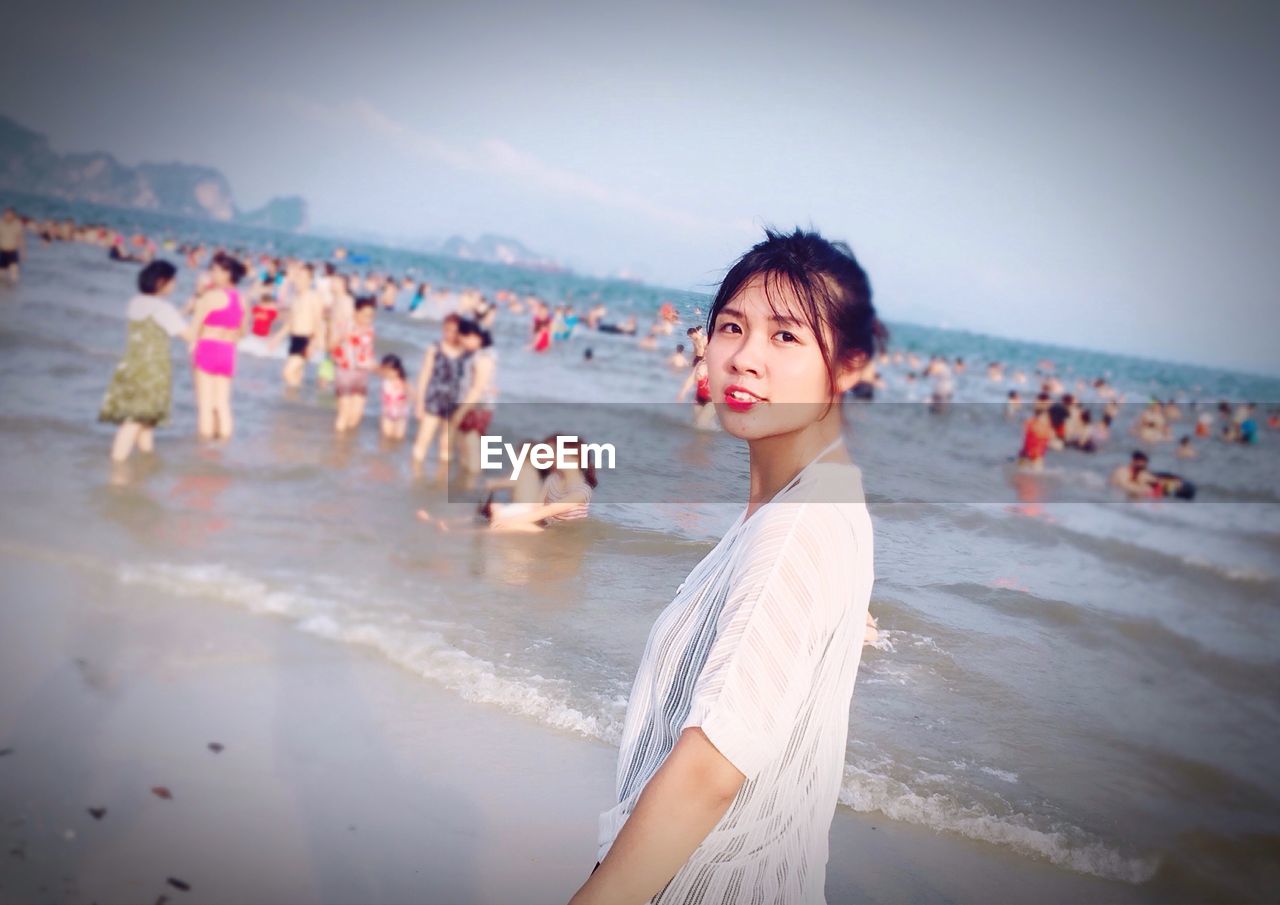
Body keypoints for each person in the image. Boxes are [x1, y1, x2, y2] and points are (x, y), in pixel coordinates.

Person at [574, 228, 882, 905]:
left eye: (786, 336)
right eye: (732, 327)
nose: (745, 358)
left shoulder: (796, 526)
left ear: (851, 364)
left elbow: (711, 767)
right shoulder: (825, 496)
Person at [98, 260, 192, 461]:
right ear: (161, 282)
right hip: (152, 370)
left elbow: (164, 320)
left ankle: (146, 462)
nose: (174, 285)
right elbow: (187, 334)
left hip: (131, 366)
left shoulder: (135, 303)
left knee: (145, 422)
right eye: (172, 281)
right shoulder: (164, 308)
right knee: (135, 421)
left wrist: (183, 310)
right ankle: (117, 466)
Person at [190, 252, 247, 440]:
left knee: (205, 406)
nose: (211, 274)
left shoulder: (212, 296)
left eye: (215, 270)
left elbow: (194, 327)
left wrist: (198, 294)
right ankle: (224, 446)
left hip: (208, 347)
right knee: (222, 405)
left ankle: (204, 450)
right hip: (228, 351)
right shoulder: (241, 299)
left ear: (226, 273)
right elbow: (243, 331)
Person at [411, 313, 470, 466]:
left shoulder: (467, 352)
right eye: (447, 330)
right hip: (434, 399)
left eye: (454, 331)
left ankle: (442, 481)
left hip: (455, 402)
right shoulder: (434, 348)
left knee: (446, 446)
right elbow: (424, 375)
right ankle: (415, 476)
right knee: (423, 439)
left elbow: (473, 380)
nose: (450, 334)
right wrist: (419, 403)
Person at [452, 320, 498, 473]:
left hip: (478, 407)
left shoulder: (484, 357)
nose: (461, 344)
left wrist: (460, 412)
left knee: (471, 447)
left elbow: (477, 389)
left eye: (462, 340)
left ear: (472, 336)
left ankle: (471, 485)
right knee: (464, 446)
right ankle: (464, 483)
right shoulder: (474, 354)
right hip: (471, 405)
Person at [271, 263, 325, 388]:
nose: (299, 280)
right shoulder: (296, 297)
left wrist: (314, 343)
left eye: (303, 277)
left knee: (287, 372)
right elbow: (290, 322)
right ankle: (294, 401)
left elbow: (319, 321)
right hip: (294, 338)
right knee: (295, 375)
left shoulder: (313, 296)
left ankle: (295, 398)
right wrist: (277, 337)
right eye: (298, 277)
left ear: (310, 280)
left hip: (306, 339)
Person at [332, 297, 377, 432]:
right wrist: (341, 339)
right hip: (345, 372)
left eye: (371, 315)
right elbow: (331, 346)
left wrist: (375, 365)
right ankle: (337, 449)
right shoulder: (345, 326)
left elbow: (368, 351)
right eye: (365, 315)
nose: (368, 318)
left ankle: (345, 446)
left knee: (356, 417)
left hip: (362, 374)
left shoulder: (370, 330)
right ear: (355, 312)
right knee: (344, 413)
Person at [379, 354, 410, 440]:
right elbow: (376, 369)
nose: (387, 373)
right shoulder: (385, 381)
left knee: (399, 438)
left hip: (401, 415)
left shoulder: (403, 382)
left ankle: (396, 452)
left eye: (390, 371)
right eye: (385, 371)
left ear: (398, 370)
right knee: (385, 437)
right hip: (387, 413)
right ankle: (386, 452)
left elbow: (411, 394)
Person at [0, 207, 25, 284]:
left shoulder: (17, 224)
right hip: (2, 251)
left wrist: (23, 252)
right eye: (6, 214)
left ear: (13, 215)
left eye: (10, 214)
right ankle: (4, 291)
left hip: (12, 251)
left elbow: (20, 239)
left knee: (14, 274)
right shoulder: (1, 223)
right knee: (1, 275)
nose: (8, 216)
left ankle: (14, 291)